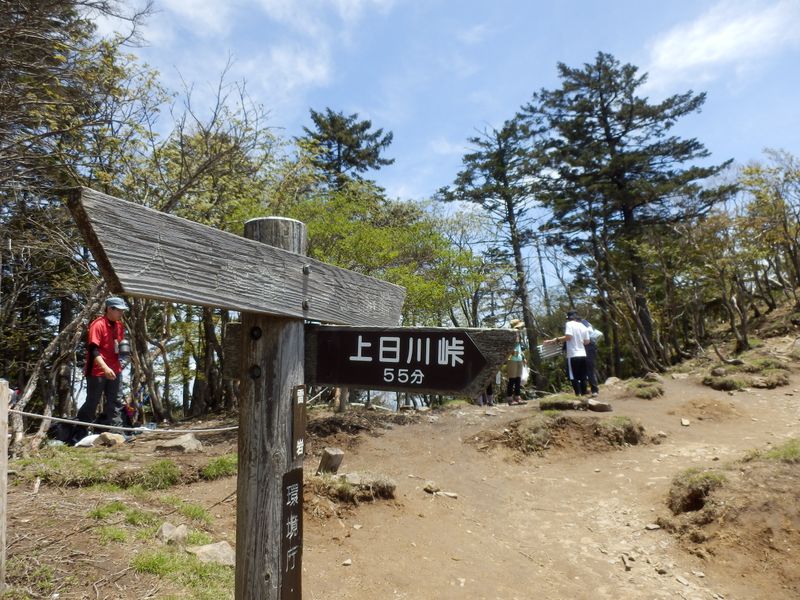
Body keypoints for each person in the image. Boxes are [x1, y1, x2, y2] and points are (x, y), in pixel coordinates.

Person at [72, 296, 129, 442]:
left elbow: (119, 348)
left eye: (123, 310)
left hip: (115, 369)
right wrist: (104, 367)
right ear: (110, 309)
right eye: (119, 310)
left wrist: (120, 363)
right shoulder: (97, 324)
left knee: (116, 401)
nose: (121, 313)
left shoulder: (119, 326)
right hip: (97, 370)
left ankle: (118, 433)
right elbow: (93, 350)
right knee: (93, 401)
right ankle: (81, 432)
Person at [544, 310, 590, 397]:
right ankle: (584, 396)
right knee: (583, 376)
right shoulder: (583, 326)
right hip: (583, 354)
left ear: (569, 318)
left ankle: (578, 395)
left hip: (573, 354)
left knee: (574, 376)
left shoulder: (569, 324)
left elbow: (568, 337)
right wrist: (579, 341)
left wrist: (555, 340)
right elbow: (587, 341)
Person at [505, 319, 526, 405]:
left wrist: (523, 357)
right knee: (512, 379)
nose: (520, 328)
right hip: (512, 359)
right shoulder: (510, 335)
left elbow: (519, 348)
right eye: (519, 327)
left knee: (518, 379)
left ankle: (517, 396)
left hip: (519, 359)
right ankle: (509, 398)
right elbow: (507, 347)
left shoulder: (519, 335)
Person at [581, 318, 603, 397]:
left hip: (589, 346)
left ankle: (594, 390)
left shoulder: (583, 323)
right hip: (584, 347)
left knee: (590, 369)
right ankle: (585, 390)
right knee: (583, 370)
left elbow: (589, 331)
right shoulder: (583, 322)